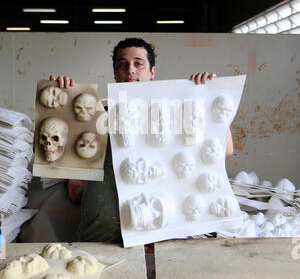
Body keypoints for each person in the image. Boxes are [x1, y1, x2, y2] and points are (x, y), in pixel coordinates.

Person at [48, 37, 233, 244]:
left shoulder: (173, 112)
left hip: (158, 229)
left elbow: (225, 149)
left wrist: (208, 97)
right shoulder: (96, 114)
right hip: (101, 233)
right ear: (115, 73)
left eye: (138, 63)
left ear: (152, 71)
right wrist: (60, 102)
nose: (130, 70)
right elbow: (60, 163)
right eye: (122, 64)